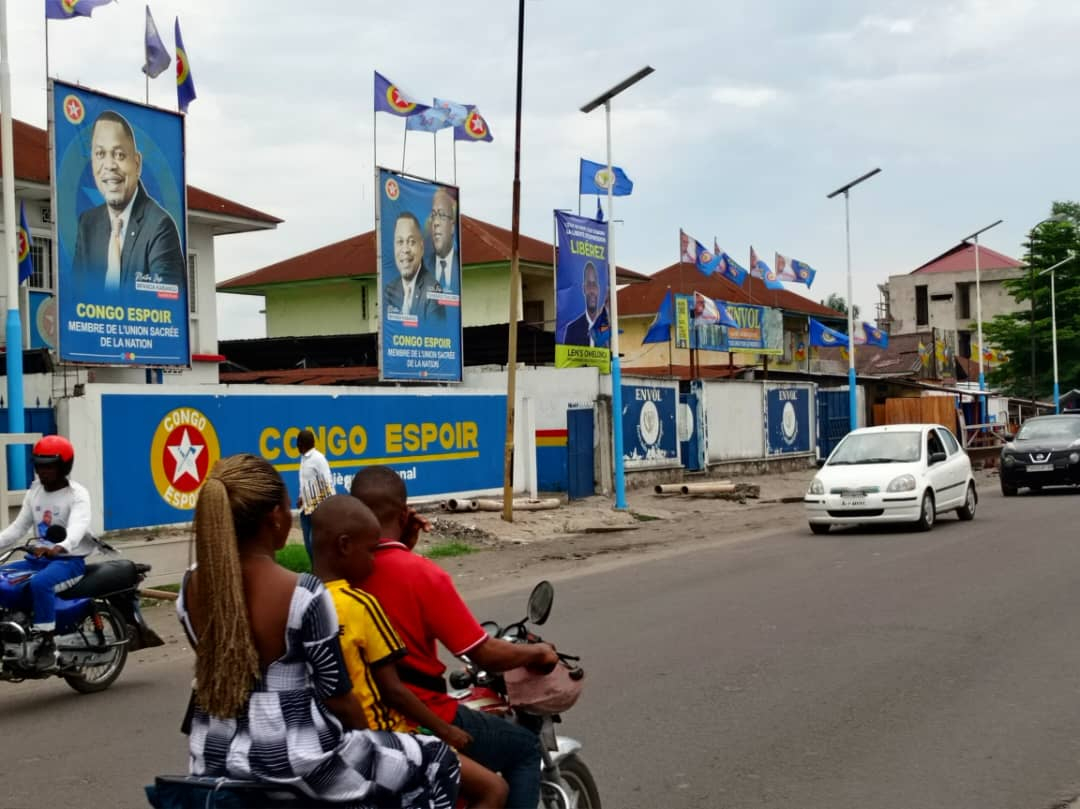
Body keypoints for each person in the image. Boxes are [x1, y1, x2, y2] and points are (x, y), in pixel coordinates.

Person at [176, 453, 459, 808]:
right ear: (275, 518)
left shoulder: (189, 588)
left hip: (213, 757)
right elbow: (338, 697)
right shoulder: (303, 592)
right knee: (435, 759)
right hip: (298, 763)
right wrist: (370, 741)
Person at [351, 466, 559, 809]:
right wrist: (537, 652)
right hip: (421, 712)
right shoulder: (421, 575)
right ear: (404, 514)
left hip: (360, 715)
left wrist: (402, 545)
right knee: (524, 749)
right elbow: (484, 652)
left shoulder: (340, 571)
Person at [311, 495, 508, 808]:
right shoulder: (360, 605)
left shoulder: (300, 600)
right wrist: (448, 731)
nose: (375, 561)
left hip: (327, 740)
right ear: (345, 545)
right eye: (369, 551)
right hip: (384, 736)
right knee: (494, 788)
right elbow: (393, 690)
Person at [0, 435, 95, 668]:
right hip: (37, 559)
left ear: (64, 466)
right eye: (40, 466)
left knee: (41, 584)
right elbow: (16, 529)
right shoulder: (34, 492)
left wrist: (61, 546)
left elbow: (77, 527)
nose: (43, 471)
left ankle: (47, 642)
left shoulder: (77, 494)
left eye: (50, 466)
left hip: (68, 561)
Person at [71, 110, 185, 295]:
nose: (109, 165)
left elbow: (168, 301)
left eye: (119, 155)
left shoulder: (159, 227)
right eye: (100, 154)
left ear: (137, 163)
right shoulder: (88, 224)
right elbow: (76, 295)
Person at [384, 212, 441, 321]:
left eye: (411, 242)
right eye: (400, 242)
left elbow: (435, 329)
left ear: (422, 247)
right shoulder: (389, 291)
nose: (405, 250)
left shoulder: (432, 291)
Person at [296, 428, 334, 560]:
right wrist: (301, 497)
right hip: (305, 509)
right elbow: (306, 481)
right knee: (308, 546)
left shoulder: (318, 459)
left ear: (301, 444)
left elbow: (327, 481)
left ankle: (320, 573)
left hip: (317, 508)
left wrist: (326, 507)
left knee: (315, 545)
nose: (297, 447)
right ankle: (315, 571)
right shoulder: (304, 459)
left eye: (298, 444)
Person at [560, 261, 606, 346]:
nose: (592, 290)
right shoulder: (572, 330)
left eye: (594, 285)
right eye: (589, 285)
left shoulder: (605, 328)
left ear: (598, 289)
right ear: (584, 289)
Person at [428, 187, 459, 294]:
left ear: (452, 226)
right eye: (433, 215)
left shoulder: (459, 264)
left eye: (441, 215)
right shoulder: (423, 267)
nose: (436, 223)